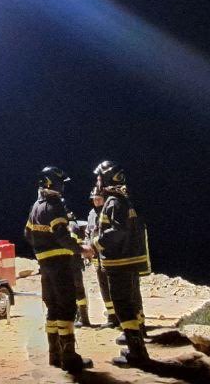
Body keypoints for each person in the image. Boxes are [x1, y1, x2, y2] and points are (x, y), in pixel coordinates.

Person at [24, 167, 92, 373]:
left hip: (45, 266)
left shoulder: (36, 206)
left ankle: (54, 354)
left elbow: (27, 234)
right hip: (60, 264)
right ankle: (69, 357)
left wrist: (41, 250)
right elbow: (62, 235)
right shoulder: (55, 205)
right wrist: (81, 249)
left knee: (52, 308)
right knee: (66, 307)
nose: (63, 186)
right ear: (52, 183)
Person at [91, 160, 150, 367]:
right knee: (129, 304)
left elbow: (117, 232)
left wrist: (95, 243)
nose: (98, 182)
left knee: (123, 306)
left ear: (107, 179)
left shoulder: (114, 203)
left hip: (119, 263)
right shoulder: (123, 200)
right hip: (128, 262)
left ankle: (137, 354)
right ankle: (137, 348)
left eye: (99, 178)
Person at [83, 188, 118, 328]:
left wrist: (96, 245)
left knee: (113, 286)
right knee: (103, 286)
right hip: (96, 257)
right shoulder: (92, 214)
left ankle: (120, 316)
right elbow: (88, 232)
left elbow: (112, 234)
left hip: (108, 256)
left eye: (99, 199)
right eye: (94, 199)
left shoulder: (109, 211)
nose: (96, 201)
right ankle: (111, 316)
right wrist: (87, 246)